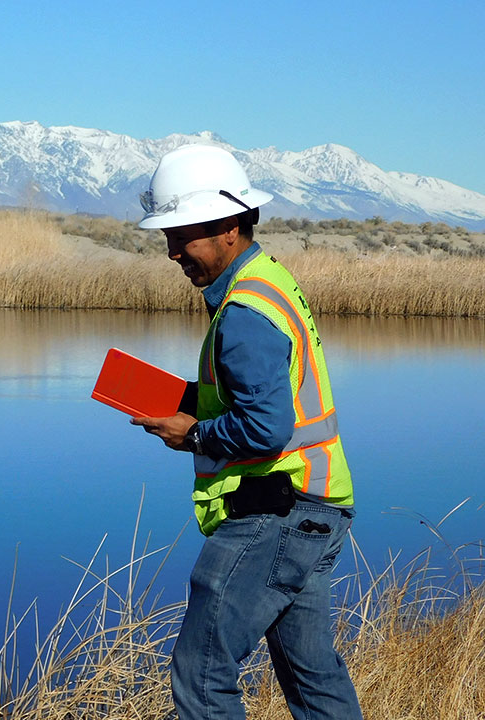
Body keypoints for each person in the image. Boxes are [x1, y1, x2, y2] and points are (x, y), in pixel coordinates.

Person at [129, 144, 363, 719]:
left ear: (229, 226)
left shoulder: (243, 311)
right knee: (315, 683)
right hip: (315, 508)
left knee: (201, 674)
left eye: (181, 235)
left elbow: (264, 428)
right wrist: (191, 404)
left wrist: (194, 435)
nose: (171, 251)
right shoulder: (269, 282)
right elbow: (263, 400)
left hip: (273, 512)